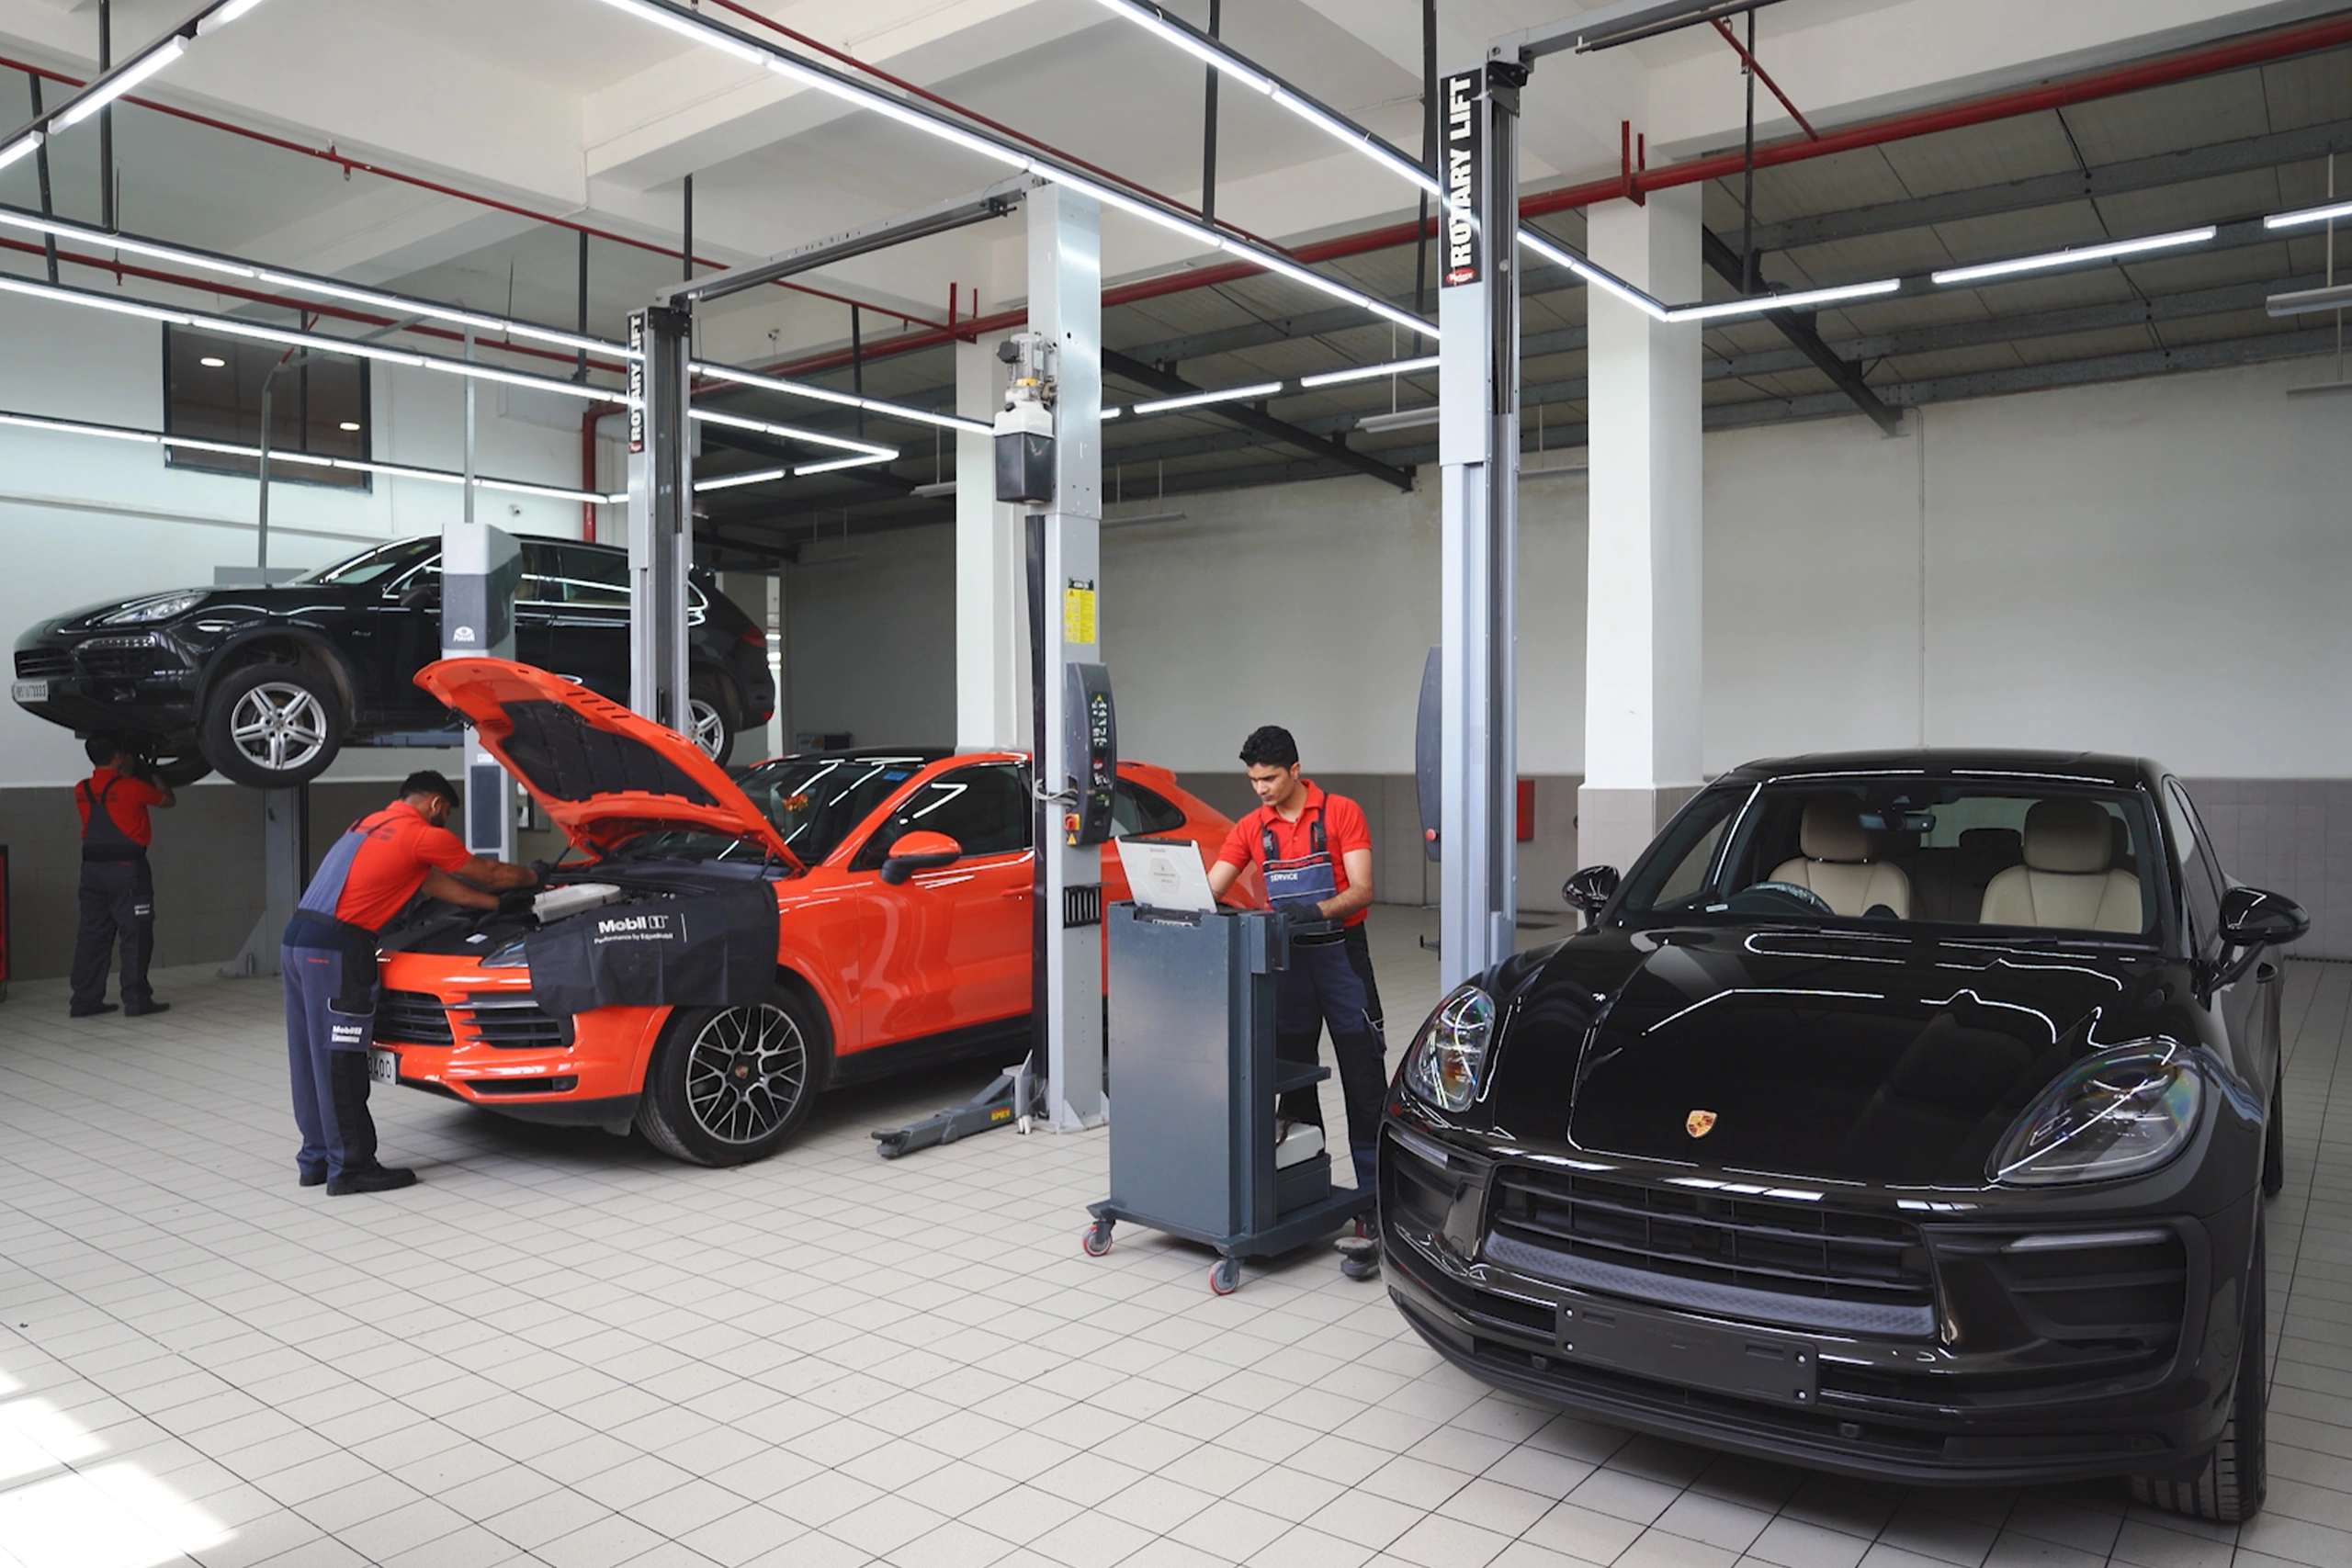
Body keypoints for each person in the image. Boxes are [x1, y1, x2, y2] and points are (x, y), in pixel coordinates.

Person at [283, 770, 536, 1195]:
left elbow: (442, 887)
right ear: (436, 804)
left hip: (298, 940)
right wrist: (534, 879)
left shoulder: (366, 825)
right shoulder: (423, 834)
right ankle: (351, 1167)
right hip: (339, 949)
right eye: (447, 812)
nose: (445, 820)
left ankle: (317, 1159)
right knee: (342, 1059)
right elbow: (489, 873)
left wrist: (496, 907)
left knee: (310, 1055)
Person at [1206, 727, 1388, 1226]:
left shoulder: (1341, 812)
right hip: (1287, 967)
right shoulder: (1251, 827)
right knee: (1295, 1082)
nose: (1261, 789)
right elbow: (1212, 888)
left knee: (1365, 1082)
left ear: (1295, 771)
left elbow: (1364, 888)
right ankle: (1306, 1189)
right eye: (1253, 780)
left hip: (1342, 960)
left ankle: (1376, 1204)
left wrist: (1315, 911)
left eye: (1269, 779)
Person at [69, 738, 175, 1019]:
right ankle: (137, 1001)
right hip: (128, 870)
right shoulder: (134, 787)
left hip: (91, 871)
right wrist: (149, 772)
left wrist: (126, 769)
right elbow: (168, 800)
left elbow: (109, 796)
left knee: (92, 934)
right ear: (118, 756)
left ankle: (84, 1001)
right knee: (136, 933)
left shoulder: (81, 789)